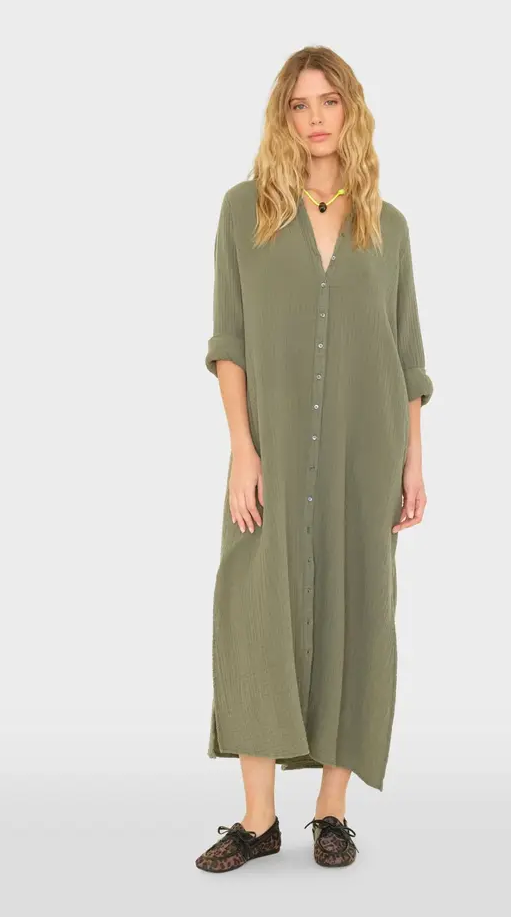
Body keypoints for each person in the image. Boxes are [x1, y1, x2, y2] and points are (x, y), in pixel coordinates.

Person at [195, 46, 434, 873]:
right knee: (254, 608)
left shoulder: (387, 226)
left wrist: (412, 461)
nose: (316, 117)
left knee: (356, 610)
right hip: (271, 450)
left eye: (329, 100)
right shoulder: (245, 212)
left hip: (366, 455)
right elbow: (229, 340)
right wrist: (242, 449)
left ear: (351, 109)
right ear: (283, 118)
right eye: (299, 105)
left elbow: (406, 354)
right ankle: (258, 820)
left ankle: (332, 812)